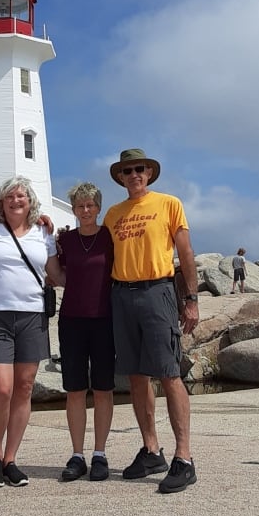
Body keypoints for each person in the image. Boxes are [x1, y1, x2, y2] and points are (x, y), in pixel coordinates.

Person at [103, 148, 200, 495]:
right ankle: (151, 450)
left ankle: (184, 458)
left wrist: (190, 299)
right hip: (121, 295)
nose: (134, 175)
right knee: (135, 375)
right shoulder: (113, 214)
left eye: (139, 169)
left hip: (157, 291)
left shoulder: (169, 203)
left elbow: (185, 252)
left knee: (169, 373)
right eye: (127, 171)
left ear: (149, 173)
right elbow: (100, 254)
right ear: (120, 177)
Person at [0, 176, 58, 488]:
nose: (15, 201)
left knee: (24, 387)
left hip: (32, 316)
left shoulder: (43, 231)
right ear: (1, 202)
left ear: (30, 201)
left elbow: (56, 272)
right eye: (9, 196)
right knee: (1, 388)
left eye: (21, 196)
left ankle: (10, 459)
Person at [54, 182, 115, 483]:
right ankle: (77, 455)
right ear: (74, 209)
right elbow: (57, 273)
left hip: (105, 319)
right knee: (75, 389)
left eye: (90, 205)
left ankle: (100, 454)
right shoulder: (65, 239)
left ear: (98, 207)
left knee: (103, 389)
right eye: (80, 206)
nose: (86, 210)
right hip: (72, 320)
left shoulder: (109, 236)